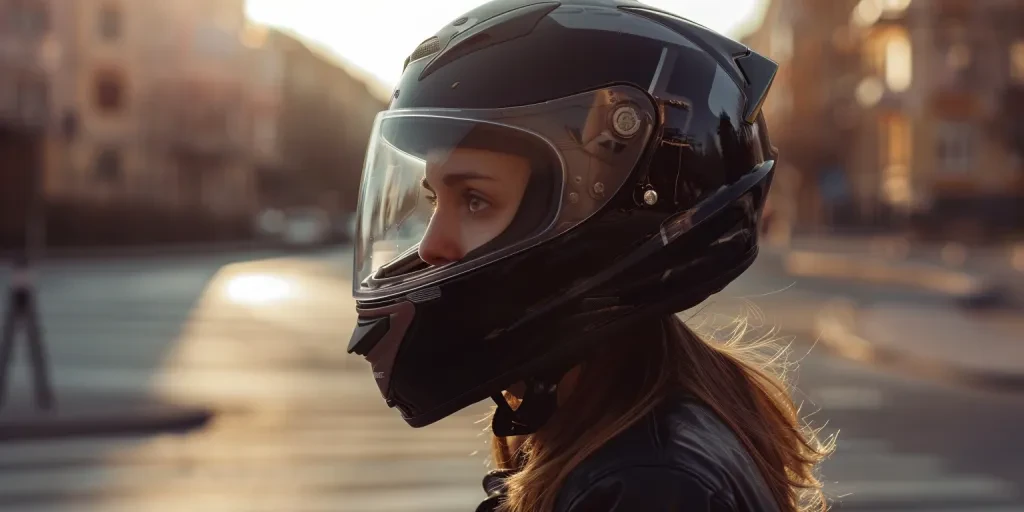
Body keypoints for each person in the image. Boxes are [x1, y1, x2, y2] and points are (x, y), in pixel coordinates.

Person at [346, 1, 831, 510]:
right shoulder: (624, 431)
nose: (430, 245)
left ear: (595, 211)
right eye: (434, 200)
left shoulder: (650, 487)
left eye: (474, 200)